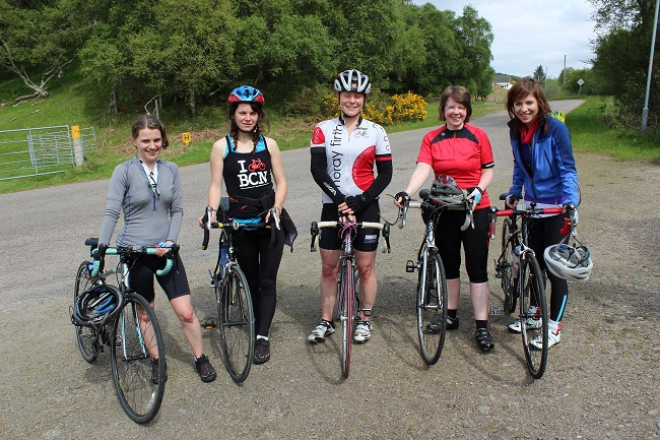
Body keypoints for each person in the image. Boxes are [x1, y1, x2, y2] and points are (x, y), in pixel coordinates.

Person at [98, 114, 217, 383]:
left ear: (163, 139)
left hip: (165, 252)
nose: (152, 145)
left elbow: (177, 211)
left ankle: (200, 358)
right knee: (145, 310)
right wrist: (102, 246)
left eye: (156, 140)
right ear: (134, 142)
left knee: (186, 312)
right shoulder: (124, 172)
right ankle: (155, 359)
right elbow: (111, 212)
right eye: (146, 141)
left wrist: (169, 241)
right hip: (135, 252)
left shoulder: (172, 169)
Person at [394, 85, 495, 352]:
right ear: (443, 110)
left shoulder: (478, 136)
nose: (456, 112)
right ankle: (450, 316)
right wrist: (407, 191)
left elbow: (487, 171)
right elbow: (423, 169)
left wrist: (477, 190)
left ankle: (482, 326)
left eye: (461, 107)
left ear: (467, 110)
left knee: (477, 267)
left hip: (475, 208)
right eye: (451, 107)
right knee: (449, 265)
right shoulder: (431, 138)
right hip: (443, 208)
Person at [200, 85, 288, 364]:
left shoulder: (269, 145)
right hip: (240, 224)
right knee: (250, 281)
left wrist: (276, 207)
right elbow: (215, 186)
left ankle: (262, 336)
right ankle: (254, 320)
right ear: (233, 115)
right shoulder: (221, 147)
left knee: (267, 280)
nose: (248, 117)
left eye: (252, 112)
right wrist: (211, 212)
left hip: (269, 222)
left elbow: (282, 182)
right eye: (242, 112)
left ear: (259, 115)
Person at [308, 69, 393, 344]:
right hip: (332, 204)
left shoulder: (376, 131)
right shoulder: (323, 128)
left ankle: (365, 320)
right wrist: (340, 199)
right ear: (339, 97)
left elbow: (386, 174)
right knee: (329, 267)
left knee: (366, 267)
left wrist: (360, 200)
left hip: (365, 205)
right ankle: (326, 319)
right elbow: (318, 168)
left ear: (364, 99)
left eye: (357, 96)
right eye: (347, 95)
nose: (352, 100)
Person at [504, 77, 580, 349]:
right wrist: (515, 192)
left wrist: (570, 202)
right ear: (512, 106)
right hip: (533, 206)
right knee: (531, 262)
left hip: (557, 205)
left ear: (539, 102)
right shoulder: (516, 130)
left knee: (554, 268)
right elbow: (518, 167)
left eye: (528, 102)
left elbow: (568, 170)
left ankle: (553, 328)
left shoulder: (555, 129)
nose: (524, 108)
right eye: (518, 103)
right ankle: (536, 314)